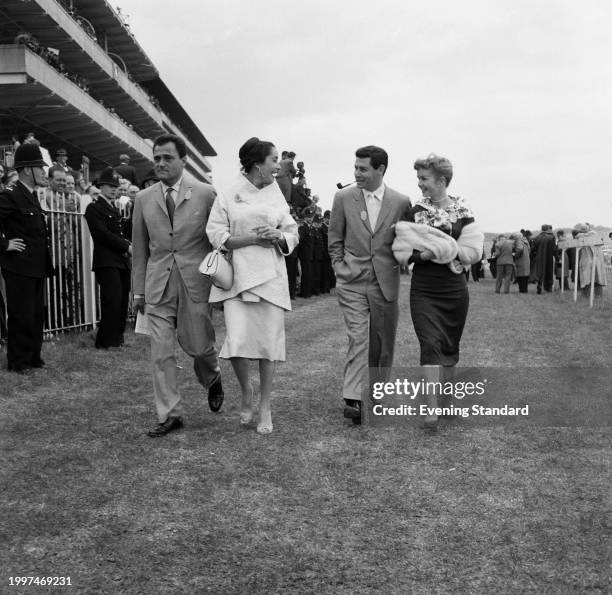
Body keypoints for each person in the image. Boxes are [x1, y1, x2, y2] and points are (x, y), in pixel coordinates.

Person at [131, 134, 224, 437]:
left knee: (199, 347)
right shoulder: (143, 199)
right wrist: (139, 290)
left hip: (195, 282)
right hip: (157, 284)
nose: (160, 163)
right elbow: (140, 248)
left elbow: (218, 240)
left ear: (183, 160)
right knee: (161, 352)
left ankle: (212, 378)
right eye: (157, 158)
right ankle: (170, 414)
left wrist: (222, 280)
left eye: (167, 158)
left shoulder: (206, 193)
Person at [206, 137, 298, 435]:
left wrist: (278, 234)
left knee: (268, 343)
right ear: (258, 164)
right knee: (238, 340)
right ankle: (246, 390)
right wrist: (251, 240)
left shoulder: (275, 193)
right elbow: (216, 233)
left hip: (270, 276)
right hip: (238, 276)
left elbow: (291, 231)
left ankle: (266, 405)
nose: (278, 166)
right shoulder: (229, 193)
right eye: (274, 160)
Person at [394, 153, 483, 431]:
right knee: (430, 344)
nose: (420, 184)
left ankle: (447, 404)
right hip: (424, 288)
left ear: (442, 180)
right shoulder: (414, 211)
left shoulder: (464, 211)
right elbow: (403, 249)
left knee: (449, 345)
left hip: (454, 290)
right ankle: (431, 410)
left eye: (424, 178)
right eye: (418, 178)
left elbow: (472, 252)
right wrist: (432, 253)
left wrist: (438, 249)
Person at [328, 145, 411, 425]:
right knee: (358, 336)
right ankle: (352, 397)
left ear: (380, 170)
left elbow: (407, 239)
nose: (357, 173)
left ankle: (378, 391)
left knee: (382, 342)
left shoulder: (401, 201)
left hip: (385, 282)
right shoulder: (342, 197)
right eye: (355, 168)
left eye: (363, 169)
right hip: (352, 281)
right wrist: (339, 266)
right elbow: (334, 237)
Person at [0, 144, 52, 373]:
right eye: (40, 167)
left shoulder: (30, 195)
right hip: (19, 266)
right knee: (21, 314)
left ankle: (33, 357)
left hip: (35, 266)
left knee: (36, 314)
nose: (43, 172)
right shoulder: (10, 195)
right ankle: (18, 361)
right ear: (27, 169)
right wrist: (4, 244)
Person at [84, 167, 132, 349]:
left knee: (121, 301)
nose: (114, 189)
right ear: (101, 186)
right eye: (110, 186)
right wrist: (126, 246)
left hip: (120, 260)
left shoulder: (113, 207)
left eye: (115, 186)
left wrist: (126, 246)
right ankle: (106, 341)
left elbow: (117, 234)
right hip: (106, 261)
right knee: (112, 300)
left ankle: (117, 338)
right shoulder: (94, 207)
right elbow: (102, 234)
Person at [533, 224, 556, 293]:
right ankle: (548, 288)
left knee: (540, 272)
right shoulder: (551, 237)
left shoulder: (537, 237)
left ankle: (539, 286)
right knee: (549, 272)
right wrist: (557, 257)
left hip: (539, 257)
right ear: (548, 229)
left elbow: (534, 248)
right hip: (549, 257)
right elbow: (554, 249)